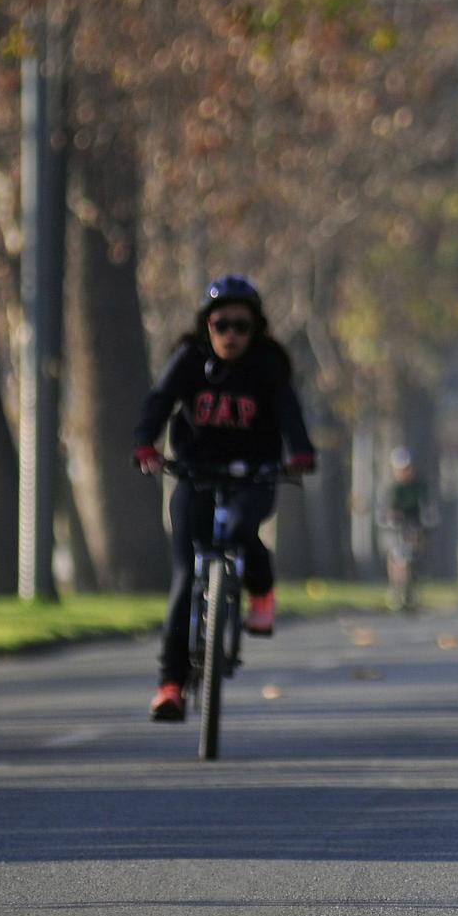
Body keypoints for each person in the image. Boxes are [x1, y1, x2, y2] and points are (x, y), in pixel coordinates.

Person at [133, 276, 315, 721]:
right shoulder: (190, 359)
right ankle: (171, 685)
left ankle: (262, 590)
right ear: (205, 326)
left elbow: (289, 413)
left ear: (256, 329)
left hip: (252, 476)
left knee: (239, 529)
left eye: (241, 326)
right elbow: (160, 400)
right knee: (183, 575)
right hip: (194, 475)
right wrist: (145, 444)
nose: (231, 335)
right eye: (221, 325)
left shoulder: (268, 364)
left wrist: (302, 453)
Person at [381, 447, 433, 610]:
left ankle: (411, 590)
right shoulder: (393, 488)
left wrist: (427, 523)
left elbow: (427, 507)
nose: (404, 472)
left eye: (407, 469)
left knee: (414, 555)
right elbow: (388, 510)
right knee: (396, 557)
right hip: (395, 527)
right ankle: (396, 590)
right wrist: (392, 517)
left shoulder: (419, 486)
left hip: (415, 524)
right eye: (401, 469)